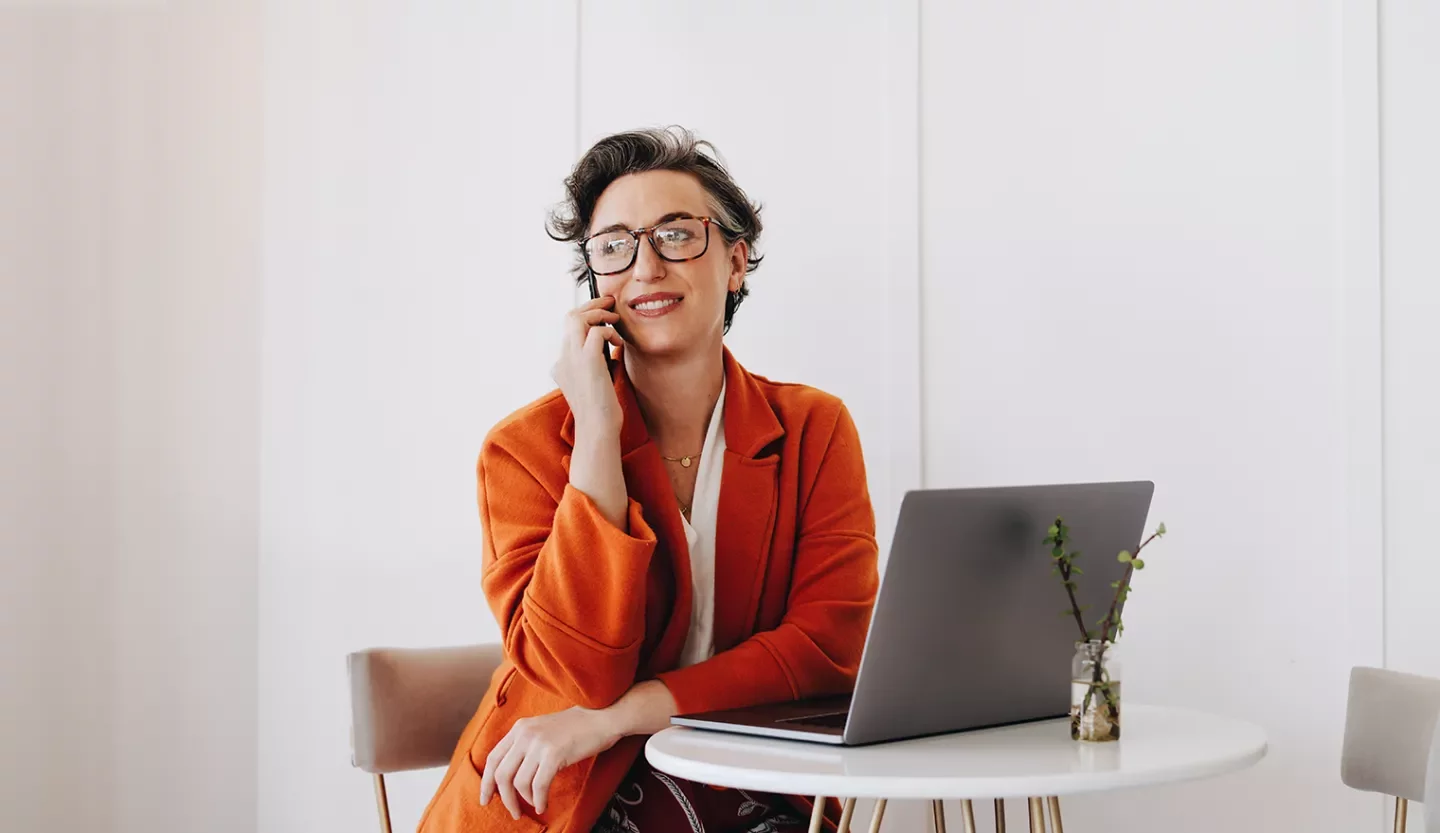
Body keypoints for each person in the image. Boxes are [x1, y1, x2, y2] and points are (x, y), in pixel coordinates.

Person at [417, 126, 879, 833]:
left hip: (747, 790)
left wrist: (624, 716)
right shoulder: (524, 448)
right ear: (595, 282)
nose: (645, 265)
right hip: (556, 802)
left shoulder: (816, 428)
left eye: (675, 234)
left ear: (735, 262)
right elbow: (580, 673)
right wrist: (597, 436)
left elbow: (826, 651)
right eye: (615, 244)